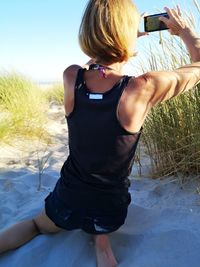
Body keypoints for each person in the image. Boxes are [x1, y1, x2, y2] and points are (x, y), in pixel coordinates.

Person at [0, 1, 199, 266]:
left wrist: (113, 42)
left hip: (68, 199)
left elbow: (96, 67)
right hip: (109, 209)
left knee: (37, 225)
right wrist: (185, 32)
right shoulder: (143, 87)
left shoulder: (71, 77)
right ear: (126, 33)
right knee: (102, 233)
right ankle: (101, 241)